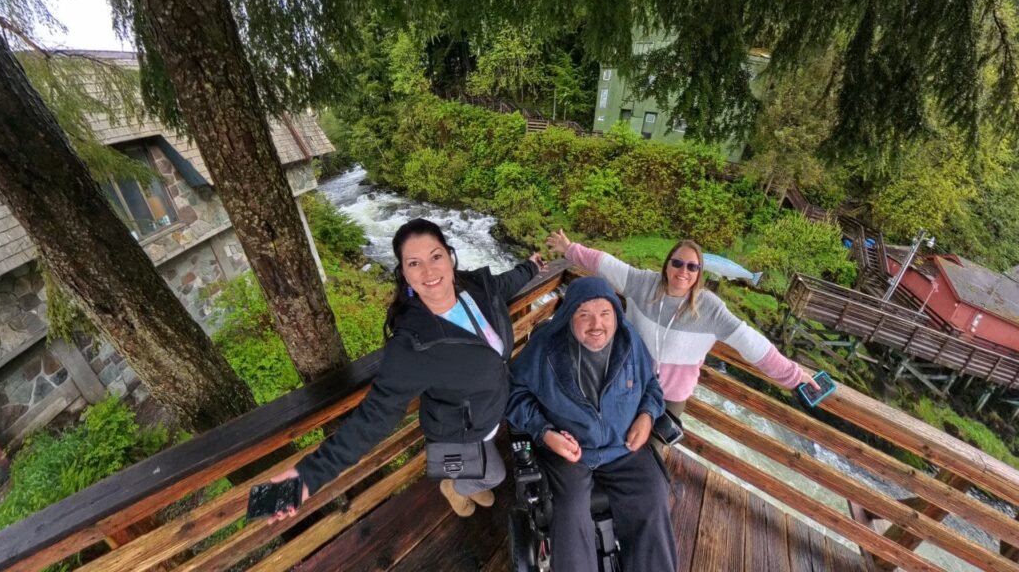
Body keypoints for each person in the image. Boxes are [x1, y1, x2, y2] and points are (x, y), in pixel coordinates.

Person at [270, 218, 545, 521]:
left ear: (450, 257)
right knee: (494, 475)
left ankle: (468, 483)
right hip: (460, 432)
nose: (429, 271)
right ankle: (456, 487)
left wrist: (532, 267)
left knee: (487, 465)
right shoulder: (412, 345)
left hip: (490, 412)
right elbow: (374, 417)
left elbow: (506, 284)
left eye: (435, 256)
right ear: (404, 273)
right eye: (414, 263)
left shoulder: (475, 287)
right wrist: (307, 477)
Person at [547, 229, 819, 419]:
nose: (683, 271)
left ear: (700, 273)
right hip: (628, 383)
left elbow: (753, 345)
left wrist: (794, 377)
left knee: (653, 455)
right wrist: (569, 249)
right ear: (667, 265)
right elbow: (604, 263)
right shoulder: (642, 283)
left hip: (671, 397)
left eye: (692, 267)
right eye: (677, 263)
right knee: (616, 443)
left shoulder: (710, 309)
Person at [506, 277, 676, 572]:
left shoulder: (630, 341)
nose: (597, 324)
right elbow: (514, 394)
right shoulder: (545, 348)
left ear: (616, 316)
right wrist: (545, 433)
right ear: (568, 316)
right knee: (570, 512)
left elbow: (652, 386)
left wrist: (647, 415)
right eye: (584, 314)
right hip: (570, 452)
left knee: (654, 496)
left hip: (623, 446)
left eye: (605, 313)